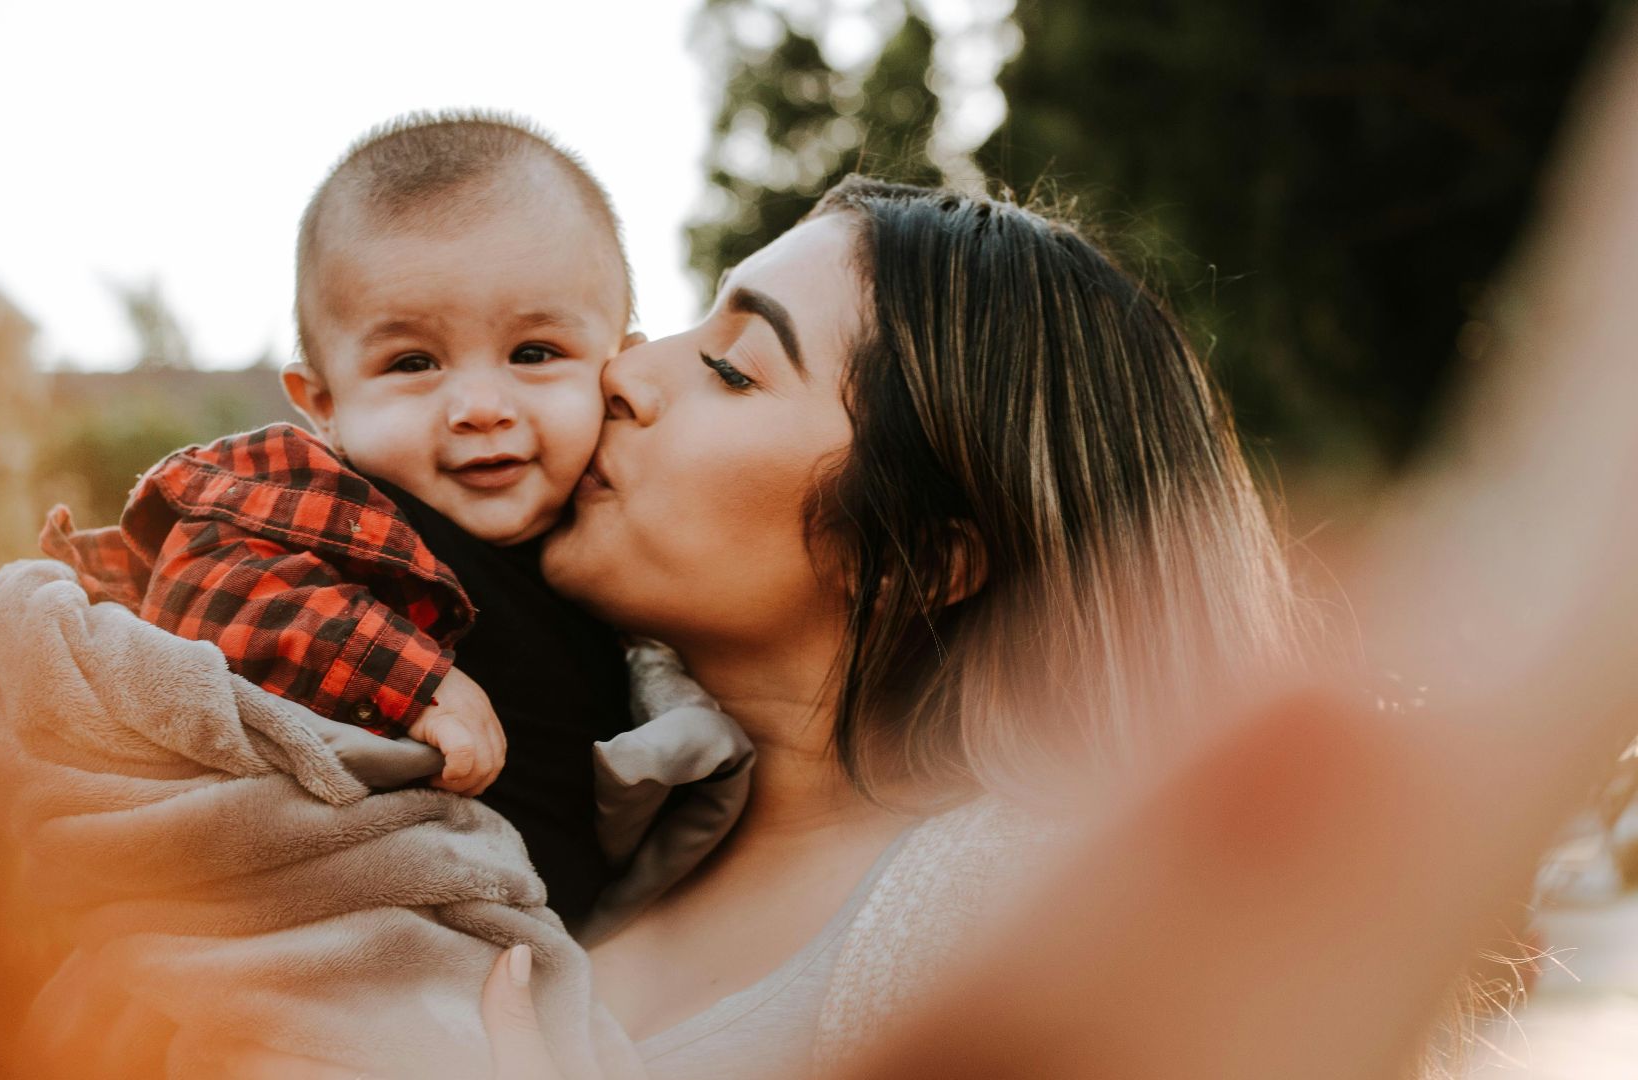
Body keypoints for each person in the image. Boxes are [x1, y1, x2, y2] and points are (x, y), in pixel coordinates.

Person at [469, 174, 1311, 1078]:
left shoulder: (1023, 931)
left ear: (921, 559)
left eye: (731, 368)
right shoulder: (548, 779)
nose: (624, 373)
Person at [39, 111, 643, 927]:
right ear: (323, 404)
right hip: (353, 933)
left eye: (534, 353)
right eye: (412, 363)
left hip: (561, 958)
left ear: (622, 366)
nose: (478, 408)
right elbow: (208, 582)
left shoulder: (626, 532)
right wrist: (406, 681)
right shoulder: (332, 502)